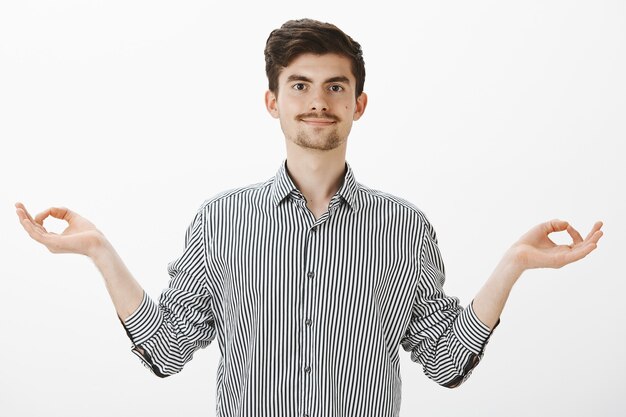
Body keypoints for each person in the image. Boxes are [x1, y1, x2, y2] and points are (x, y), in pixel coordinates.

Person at [15, 18, 603, 417]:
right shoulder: (221, 220)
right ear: (273, 102)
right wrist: (100, 253)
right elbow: (167, 350)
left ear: (358, 104)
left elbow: (447, 363)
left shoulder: (407, 228)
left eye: (334, 86)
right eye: (299, 85)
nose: (317, 101)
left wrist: (513, 265)